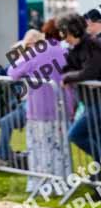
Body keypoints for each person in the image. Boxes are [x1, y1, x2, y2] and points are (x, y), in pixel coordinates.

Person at [6, 30, 74, 194]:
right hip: (63, 106)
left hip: (40, 109)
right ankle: (63, 184)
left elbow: (12, 72)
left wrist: (22, 52)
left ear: (30, 44)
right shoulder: (62, 50)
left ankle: (43, 184)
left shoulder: (33, 53)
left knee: (40, 148)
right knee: (61, 148)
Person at [60, 13, 101, 185]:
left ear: (74, 31)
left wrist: (70, 78)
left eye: (66, 34)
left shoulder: (93, 45)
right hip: (89, 101)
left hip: (97, 102)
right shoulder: (75, 50)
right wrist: (71, 76)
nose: (65, 38)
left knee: (75, 134)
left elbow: (89, 72)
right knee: (96, 138)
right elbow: (66, 69)